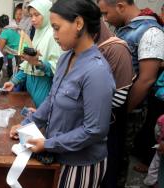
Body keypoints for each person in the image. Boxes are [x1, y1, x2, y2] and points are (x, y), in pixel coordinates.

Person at [10, 0, 115, 187]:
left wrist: (48, 144)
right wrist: (26, 125)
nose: (54, 35)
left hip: (81, 163)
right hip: (59, 154)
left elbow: (94, 130)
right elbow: (52, 99)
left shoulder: (96, 71)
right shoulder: (66, 57)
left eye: (57, 28)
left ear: (79, 24)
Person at [97, 0, 164, 177]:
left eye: (106, 13)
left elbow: (146, 79)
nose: (106, 19)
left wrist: (123, 110)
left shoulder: (151, 32)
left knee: (118, 158)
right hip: (114, 108)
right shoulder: (125, 28)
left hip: (129, 110)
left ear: (120, 6)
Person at [3, 0, 62, 107]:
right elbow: (28, 65)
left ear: (47, 14)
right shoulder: (38, 34)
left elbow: (58, 68)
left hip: (43, 86)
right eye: (31, 16)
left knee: (40, 118)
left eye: (37, 15)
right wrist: (13, 82)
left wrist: (38, 63)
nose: (33, 19)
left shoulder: (53, 36)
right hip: (30, 88)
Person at [96, 20, 134, 188]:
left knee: (106, 170)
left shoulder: (116, 50)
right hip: (93, 124)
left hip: (108, 124)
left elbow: (119, 99)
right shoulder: (89, 50)